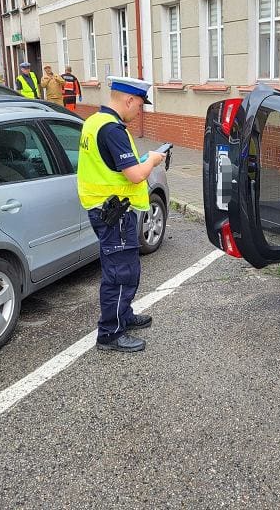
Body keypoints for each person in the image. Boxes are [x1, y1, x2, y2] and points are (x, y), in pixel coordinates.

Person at [77, 76, 165, 353]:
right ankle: (110, 333)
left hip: (106, 209)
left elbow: (112, 167)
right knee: (119, 272)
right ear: (128, 100)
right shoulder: (113, 130)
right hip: (113, 213)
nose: (138, 111)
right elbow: (136, 174)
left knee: (125, 268)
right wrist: (151, 160)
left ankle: (123, 315)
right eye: (139, 105)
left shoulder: (94, 121)